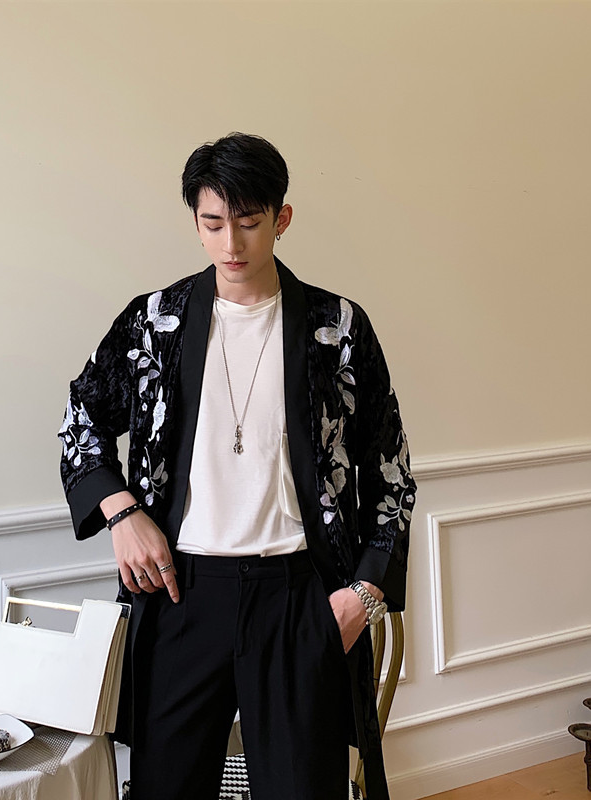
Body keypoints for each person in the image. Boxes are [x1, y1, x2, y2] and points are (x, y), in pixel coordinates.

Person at [58, 132, 415, 800]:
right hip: (180, 595)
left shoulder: (338, 329)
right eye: (213, 223)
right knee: (165, 790)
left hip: (298, 597)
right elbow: (82, 418)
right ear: (195, 221)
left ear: (281, 218)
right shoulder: (155, 324)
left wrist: (363, 594)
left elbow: (391, 470)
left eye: (249, 222)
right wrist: (123, 514)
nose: (231, 244)